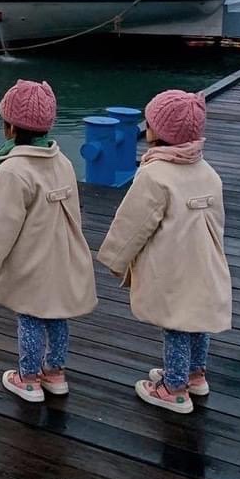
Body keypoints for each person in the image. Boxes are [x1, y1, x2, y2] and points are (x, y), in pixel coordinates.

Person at [98, 90, 231, 414]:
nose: (147, 127)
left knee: (175, 324)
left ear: (161, 133)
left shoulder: (154, 175)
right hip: (205, 262)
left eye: (151, 122)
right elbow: (218, 223)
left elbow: (133, 223)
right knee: (197, 319)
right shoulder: (208, 173)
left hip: (172, 267)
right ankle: (194, 374)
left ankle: (173, 388)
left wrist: (115, 259)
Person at [0, 80, 97, 402]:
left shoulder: (13, 171)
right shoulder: (63, 162)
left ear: (9, 126)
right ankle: (55, 373)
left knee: (29, 316)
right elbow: (73, 214)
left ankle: (27, 378)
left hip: (30, 260)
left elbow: (1, 225)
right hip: (60, 255)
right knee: (56, 315)